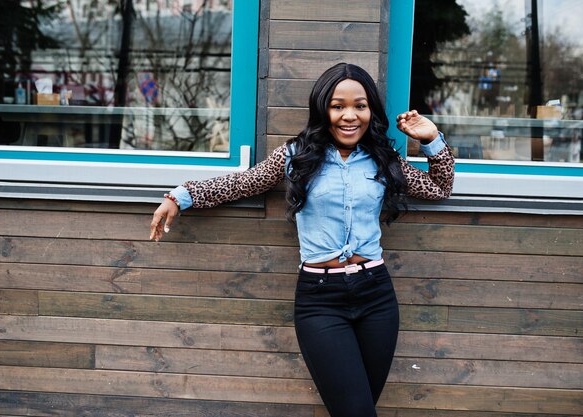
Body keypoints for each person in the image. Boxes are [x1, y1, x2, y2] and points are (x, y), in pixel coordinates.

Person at [149, 63, 454, 417]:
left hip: (377, 296)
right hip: (320, 300)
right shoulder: (296, 156)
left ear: (371, 110)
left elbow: (440, 188)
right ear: (322, 108)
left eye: (360, 105)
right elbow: (243, 183)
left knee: (359, 409)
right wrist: (181, 196)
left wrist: (431, 139)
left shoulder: (384, 159)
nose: (349, 116)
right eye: (338, 106)